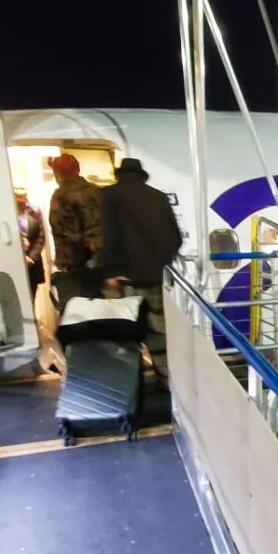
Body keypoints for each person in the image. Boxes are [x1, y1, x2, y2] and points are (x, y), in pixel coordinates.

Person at [98, 157, 183, 389]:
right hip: (155, 278)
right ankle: (167, 381)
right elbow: (175, 238)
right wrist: (159, 264)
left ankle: (128, 386)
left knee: (125, 334)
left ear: (119, 175)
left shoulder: (108, 196)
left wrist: (112, 271)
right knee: (159, 333)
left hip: (123, 280)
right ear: (142, 175)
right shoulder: (159, 197)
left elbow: (109, 237)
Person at [47, 153, 102, 306]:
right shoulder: (97, 191)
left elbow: (64, 232)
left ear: (58, 173)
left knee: (77, 317)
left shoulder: (60, 196)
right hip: (101, 265)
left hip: (75, 267)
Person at [15, 189, 46, 300]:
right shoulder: (7, 210)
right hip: (15, 261)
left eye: (22, 195)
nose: (21, 198)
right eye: (17, 195)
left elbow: (42, 236)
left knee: (32, 296)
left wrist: (31, 257)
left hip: (33, 262)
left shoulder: (34, 210)